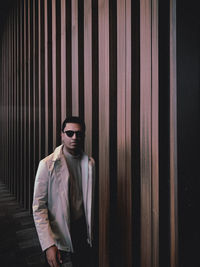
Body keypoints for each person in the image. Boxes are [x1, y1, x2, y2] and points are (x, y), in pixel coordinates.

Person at [32, 116, 95, 267]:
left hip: (80, 227)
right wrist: (48, 244)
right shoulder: (47, 165)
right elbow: (38, 207)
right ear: (61, 135)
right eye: (69, 133)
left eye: (78, 134)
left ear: (83, 136)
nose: (74, 137)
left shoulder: (89, 163)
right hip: (57, 229)